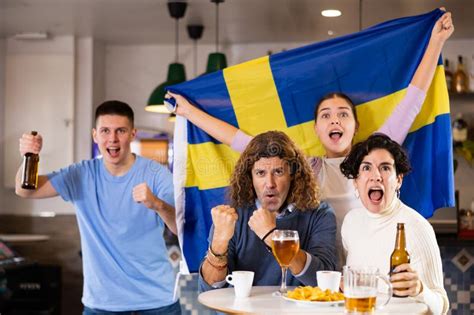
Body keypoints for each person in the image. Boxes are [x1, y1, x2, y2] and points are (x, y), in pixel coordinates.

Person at [168, 11, 454, 267]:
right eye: (326, 116)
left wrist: (436, 42)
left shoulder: (374, 158)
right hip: (318, 270)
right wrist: (189, 111)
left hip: (369, 265)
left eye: (343, 114)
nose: (335, 120)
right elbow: (242, 141)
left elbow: (412, 102)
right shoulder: (305, 166)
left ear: (355, 127)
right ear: (316, 129)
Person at [15, 101, 181, 315]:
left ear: (132, 134)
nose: (112, 139)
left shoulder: (156, 174)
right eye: (105, 131)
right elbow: (26, 191)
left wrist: (157, 204)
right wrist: (29, 157)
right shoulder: (81, 175)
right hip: (102, 305)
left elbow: (180, 228)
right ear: (95, 135)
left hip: (158, 303)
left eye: (120, 131)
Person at [199, 131, 337, 291]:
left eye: (278, 172)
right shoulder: (233, 216)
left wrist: (272, 236)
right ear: (249, 177)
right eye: (260, 173)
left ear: (293, 174)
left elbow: (325, 283)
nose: (270, 183)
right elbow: (209, 289)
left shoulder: (320, 213)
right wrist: (218, 243)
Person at [339, 133, 449, 314]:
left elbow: (442, 306)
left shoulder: (417, 227)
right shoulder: (351, 222)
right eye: (366, 168)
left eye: (385, 168)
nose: (376, 176)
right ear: (356, 181)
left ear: (399, 180)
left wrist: (421, 290)